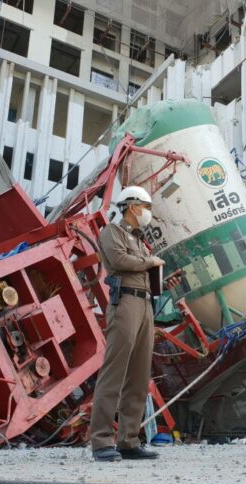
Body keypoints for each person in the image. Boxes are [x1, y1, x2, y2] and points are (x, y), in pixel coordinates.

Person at [89, 186, 165, 462]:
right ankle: (101, 441)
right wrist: (150, 261)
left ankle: (129, 440)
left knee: (138, 374)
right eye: (146, 207)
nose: (148, 213)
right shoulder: (112, 232)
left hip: (145, 304)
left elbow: (141, 267)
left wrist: (161, 276)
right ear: (132, 206)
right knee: (115, 371)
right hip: (125, 304)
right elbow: (120, 261)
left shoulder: (139, 240)